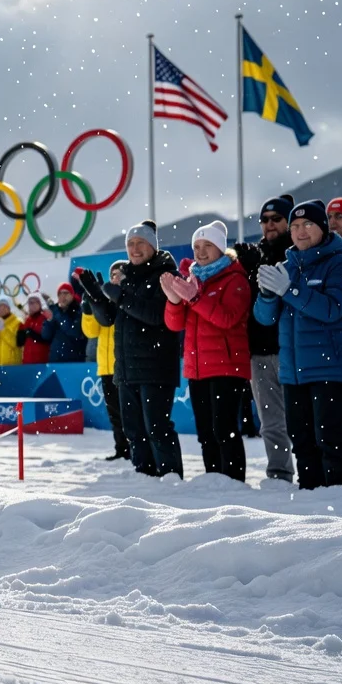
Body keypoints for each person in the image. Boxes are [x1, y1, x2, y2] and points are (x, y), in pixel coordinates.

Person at [253, 200, 342, 490]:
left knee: (331, 441)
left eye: (307, 224)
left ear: (322, 228)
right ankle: (310, 499)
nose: (300, 231)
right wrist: (268, 295)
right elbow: (265, 319)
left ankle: (340, 500)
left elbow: (332, 309)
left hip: (329, 370)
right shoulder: (287, 266)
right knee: (302, 440)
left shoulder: (340, 262)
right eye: (294, 226)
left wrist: (290, 290)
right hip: (293, 372)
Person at [80, 220, 183, 478]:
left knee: (157, 428)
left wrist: (120, 295)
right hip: (126, 369)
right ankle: (144, 476)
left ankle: (171, 479)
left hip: (156, 368)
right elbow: (108, 320)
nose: (134, 249)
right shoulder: (127, 277)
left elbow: (155, 315)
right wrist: (95, 298)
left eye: (140, 243)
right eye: (130, 244)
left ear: (152, 245)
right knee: (134, 430)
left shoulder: (165, 274)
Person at [163, 220, 252, 481]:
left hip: (227, 366)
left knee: (224, 429)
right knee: (205, 432)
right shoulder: (194, 281)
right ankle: (213, 480)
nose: (200, 252)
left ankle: (233, 482)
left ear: (221, 249)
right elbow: (174, 324)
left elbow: (227, 319)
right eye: (197, 246)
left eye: (208, 246)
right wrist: (174, 301)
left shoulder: (235, 279)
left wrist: (194, 298)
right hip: (197, 367)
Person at [231, 195, 297, 482]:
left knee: (303, 419)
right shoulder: (254, 254)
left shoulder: (298, 251)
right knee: (270, 421)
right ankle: (279, 473)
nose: (269, 224)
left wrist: (257, 266)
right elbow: (247, 301)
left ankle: (317, 475)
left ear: (288, 221)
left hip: (292, 348)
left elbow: (285, 296)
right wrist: (245, 270)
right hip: (258, 350)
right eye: (264, 220)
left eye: (276, 219)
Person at [81, 262, 130, 462]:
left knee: (128, 412)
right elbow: (91, 332)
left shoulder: (126, 297)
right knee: (115, 413)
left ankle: (136, 450)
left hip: (124, 366)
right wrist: (88, 309)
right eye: (112, 274)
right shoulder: (104, 299)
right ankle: (122, 449)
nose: (115, 277)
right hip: (106, 367)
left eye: (118, 274)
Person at [47, 283, 88, 363]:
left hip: (74, 360)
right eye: (60, 294)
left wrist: (58, 312)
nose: (63, 296)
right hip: (55, 360)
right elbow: (46, 335)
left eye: (65, 293)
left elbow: (73, 331)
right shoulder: (55, 311)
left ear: (72, 295)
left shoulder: (79, 311)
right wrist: (49, 320)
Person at [16, 295, 54, 365]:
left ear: (40, 304)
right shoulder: (27, 320)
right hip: (28, 362)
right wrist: (21, 330)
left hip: (41, 361)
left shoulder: (44, 318)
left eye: (35, 302)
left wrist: (31, 333)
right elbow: (20, 342)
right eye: (30, 303)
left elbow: (47, 338)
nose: (33, 305)